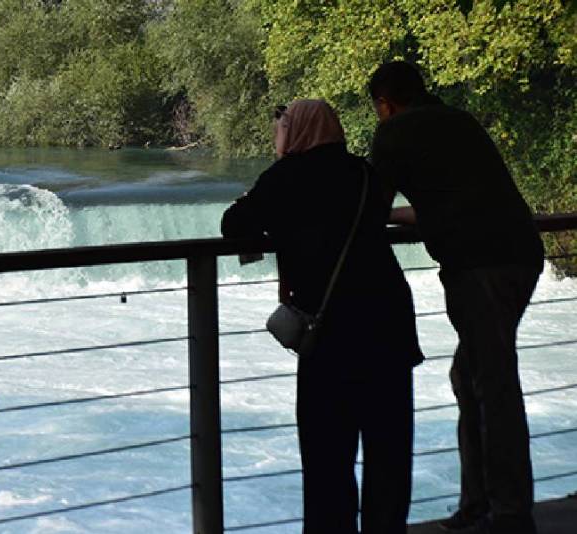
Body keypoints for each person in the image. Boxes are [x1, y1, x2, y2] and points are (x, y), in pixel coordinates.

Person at [222, 99, 423, 534]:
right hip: (388, 321)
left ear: (296, 132)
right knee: (388, 450)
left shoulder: (286, 178)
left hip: (331, 333)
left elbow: (234, 223)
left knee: (327, 455)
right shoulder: (366, 174)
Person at [368, 61, 545, 534]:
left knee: (492, 385)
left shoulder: (394, 133)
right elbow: (454, 199)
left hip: (479, 266)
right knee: (472, 377)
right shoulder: (459, 121)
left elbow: (371, 206)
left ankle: (508, 513)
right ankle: (482, 502)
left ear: (385, 104)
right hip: (521, 253)